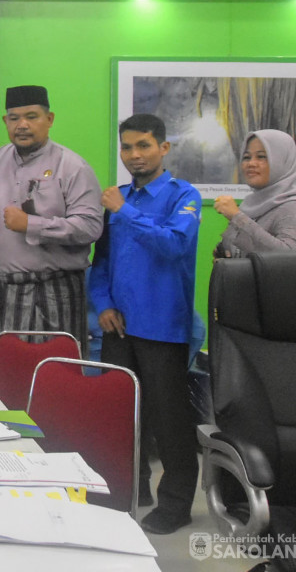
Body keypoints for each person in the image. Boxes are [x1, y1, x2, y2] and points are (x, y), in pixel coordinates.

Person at [89, 113, 202, 535]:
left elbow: (174, 244)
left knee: (169, 418)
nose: (134, 155)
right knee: (121, 413)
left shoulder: (183, 195)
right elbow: (99, 263)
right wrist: (102, 304)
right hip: (119, 325)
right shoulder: (118, 197)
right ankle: (132, 490)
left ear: (164, 148)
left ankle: (177, 503)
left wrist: (125, 213)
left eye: (143, 146)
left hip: (164, 325)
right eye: (127, 147)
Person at [0, 85, 103, 346]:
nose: (22, 125)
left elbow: (90, 227)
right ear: (5, 121)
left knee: (58, 374)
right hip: (3, 291)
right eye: (14, 118)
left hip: (56, 288)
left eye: (31, 116)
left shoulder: (72, 166)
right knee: (10, 375)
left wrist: (31, 224)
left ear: (50, 119)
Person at [213, 128, 296, 256]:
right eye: (246, 157)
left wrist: (237, 217)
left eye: (261, 157)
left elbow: (292, 260)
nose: (251, 163)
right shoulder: (252, 205)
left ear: (283, 160)